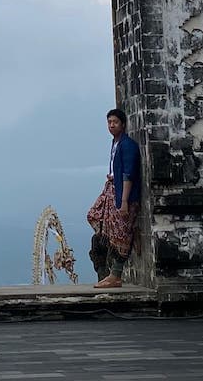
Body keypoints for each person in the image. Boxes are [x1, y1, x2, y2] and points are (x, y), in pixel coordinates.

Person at [86, 107, 140, 288]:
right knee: (95, 215)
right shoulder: (115, 143)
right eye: (109, 122)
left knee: (122, 234)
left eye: (115, 122)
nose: (111, 125)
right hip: (112, 189)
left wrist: (124, 201)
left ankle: (115, 275)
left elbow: (128, 174)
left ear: (123, 124)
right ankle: (111, 272)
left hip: (124, 194)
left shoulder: (128, 145)